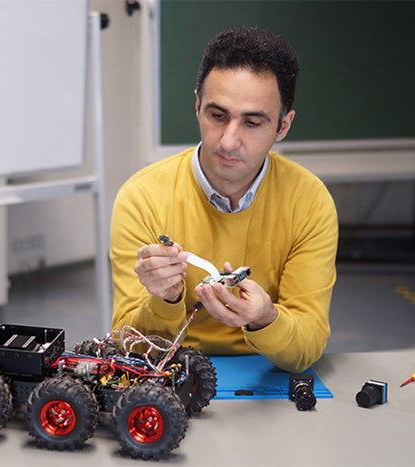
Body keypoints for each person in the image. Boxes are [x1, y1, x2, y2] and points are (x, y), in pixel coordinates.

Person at [109, 26, 338, 373]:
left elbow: (306, 346)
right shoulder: (142, 198)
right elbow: (128, 347)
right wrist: (165, 299)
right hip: (171, 374)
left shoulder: (309, 202)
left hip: (268, 377)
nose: (229, 141)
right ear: (197, 105)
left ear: (283, 126)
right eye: (218, 116)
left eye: (252, 122)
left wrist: (265, 318)